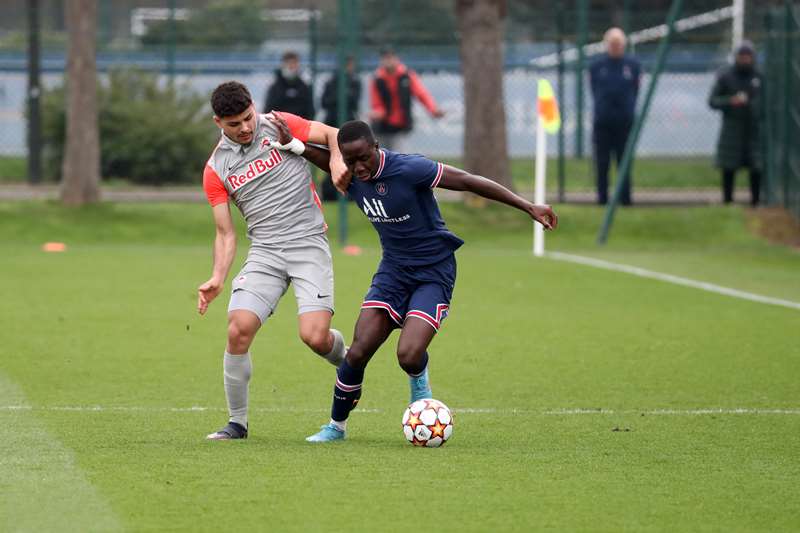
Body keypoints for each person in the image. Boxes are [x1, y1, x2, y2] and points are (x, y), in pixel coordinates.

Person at [267, 118, 557, 443]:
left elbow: (468, 181)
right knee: (358, 351)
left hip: (434, 271)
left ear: (376, 147)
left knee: (407, 354)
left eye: (365, 157)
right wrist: (294, 145)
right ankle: (336, 427)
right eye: (350, 161)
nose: (359, 167)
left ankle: (420, 386)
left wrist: (527, 205)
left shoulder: (409, 169)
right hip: (393, 272)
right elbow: (322, 157)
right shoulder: (348, 175)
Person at [198, 81, 349, 440]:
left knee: (314, 338)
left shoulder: (279, 123)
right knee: (238, 328)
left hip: (308, 243)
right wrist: (218, 277)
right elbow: (225, 233)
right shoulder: (216, 169)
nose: (246, 128)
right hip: (265, 252)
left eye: (248, 118)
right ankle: (237, 423)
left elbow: (334, 134)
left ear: (254, 106)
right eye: (234, 124)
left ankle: (349, 362)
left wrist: (339, 161)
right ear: (219, 122)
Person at [589, 27, 641, 206]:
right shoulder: (597, 66)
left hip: (624, 123)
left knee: (624, 162)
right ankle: (602, 199)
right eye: (612, 44)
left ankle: (625, 199)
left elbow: (635, 89)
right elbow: (594, 90)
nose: (616, 47)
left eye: (619, 44)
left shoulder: (632, 66)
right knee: (602, 163)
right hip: (602, 123)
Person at [708, 41, 763, 206]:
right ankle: (727, 200)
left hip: (754, 129)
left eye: (748, 56)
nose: (745, 60)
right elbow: (712, 101)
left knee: (757, 166)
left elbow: (768, 101)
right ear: (736, 57)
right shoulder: (726, 76)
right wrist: (730, 101)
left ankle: (755, 201)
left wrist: (755, 107)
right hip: (732, 128)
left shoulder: (760, 77)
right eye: (742, 56)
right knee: (729, 166)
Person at [369, 47, 444, 152]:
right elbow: (377, 104)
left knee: (399, 157)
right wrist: (378, 113)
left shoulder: (407, 76)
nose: (388, 61)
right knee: (381, 158)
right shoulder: (377, 79)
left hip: (401, 126)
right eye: (385, 58)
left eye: (391, 57)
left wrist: (433, 109)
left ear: (397, 59)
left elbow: (421, 94)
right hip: (382, 126)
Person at [319, 56, 362, 200]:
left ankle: (349, 191)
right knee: (332, 158)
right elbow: (325, 102)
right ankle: (330, 191)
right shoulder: (331, 82)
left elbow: (354, 103)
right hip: (333, 123)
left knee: (349, 160)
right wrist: (341, 96)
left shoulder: (355, 82)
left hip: (348, 125)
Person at [264, 51, 315, 120]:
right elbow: (268, 109)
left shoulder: (305, 86)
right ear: (283, 65)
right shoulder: (274, 86)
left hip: (301, 126)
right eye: (289, 64)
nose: (292, 67)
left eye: (294, 64)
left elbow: (310, 110)